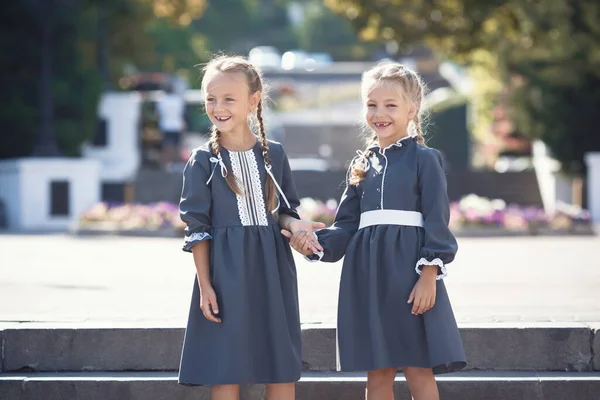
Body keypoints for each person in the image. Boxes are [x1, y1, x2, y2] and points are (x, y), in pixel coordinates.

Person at [283, 61, 466, 400]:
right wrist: (313, 244)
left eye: (390, 105)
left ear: (412, 109)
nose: (379, 113)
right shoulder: (361, 164)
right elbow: (347, 227)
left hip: (409, 274)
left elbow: (437, 221)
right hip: (367, 276)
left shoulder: (425, 159)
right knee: (377, 371)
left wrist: (429, 275)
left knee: (417, 367)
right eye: (371, 104)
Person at [177, 54, 323, 400]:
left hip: (272, 270)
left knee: (279, 364)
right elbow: (198, 229)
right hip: (225, 274)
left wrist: (296, 226)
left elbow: (283, 212)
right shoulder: (203, 161)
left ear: (253, 101)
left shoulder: (274, 154)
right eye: (211, 98)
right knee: (226, 367)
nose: (218, 106)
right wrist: (206, 286)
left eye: (229, 98)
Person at [157, 84, 186, 169]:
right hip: (177, 125)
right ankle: (176, 164)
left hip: (165, 125)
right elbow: (182, 113)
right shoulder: (178, 99)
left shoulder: (162, 100)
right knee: (177, 146)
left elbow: (159, 113)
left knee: (167, 146)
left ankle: (167, 164)